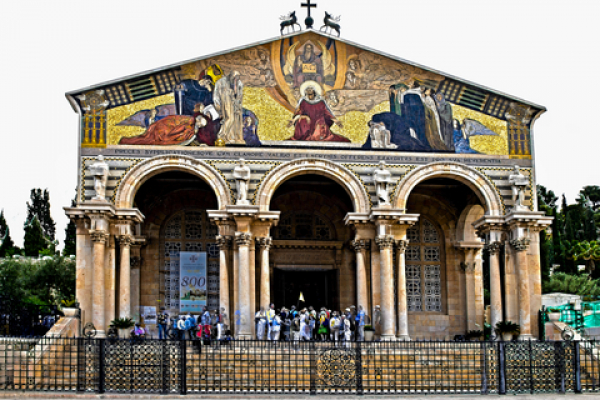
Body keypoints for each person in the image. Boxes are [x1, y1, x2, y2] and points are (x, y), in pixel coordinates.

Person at [213, 70, 244, 144]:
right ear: (230, 76)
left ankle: (231, 137)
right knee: (229, 119)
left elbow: (240, 95)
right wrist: (217, 104)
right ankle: (221, 136)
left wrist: (238, 105)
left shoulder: (239, 83)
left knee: (235, 120)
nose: (235, 79)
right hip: (225, 103)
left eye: (237, 77)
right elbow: (216, 95)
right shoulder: (221, 82)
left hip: (234, 103)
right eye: (234, 77)